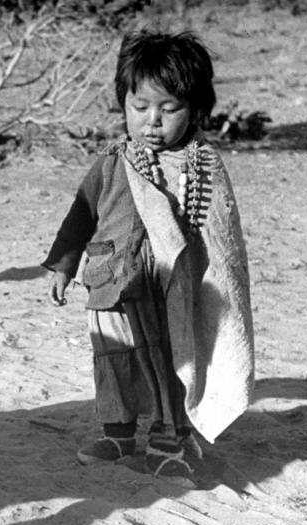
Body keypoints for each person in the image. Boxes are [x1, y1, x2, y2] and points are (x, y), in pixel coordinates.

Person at [42, 30, 254, 483]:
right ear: (124, 105)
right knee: (115, 359)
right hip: (111, 282)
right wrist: (63, 266)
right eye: (140, 108)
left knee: (172, 359)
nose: (151, 121)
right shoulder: (112, 161)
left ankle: (168, 438)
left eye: (168, 108)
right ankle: (117, 433)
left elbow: (222, 241)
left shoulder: (203, 166)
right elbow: (80, 214)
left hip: (170, 288)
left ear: (195, 109)